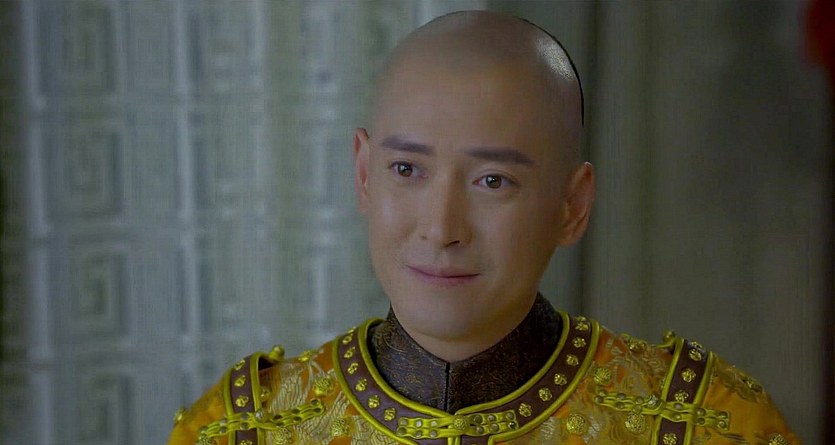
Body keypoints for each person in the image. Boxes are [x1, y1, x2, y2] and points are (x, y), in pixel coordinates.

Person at [167, 11, 798, 445]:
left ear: (572, 206)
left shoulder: (703, 424)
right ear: (363, 175)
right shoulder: (244, 428)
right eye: (407, 170)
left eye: (493, 181)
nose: (442, 228)